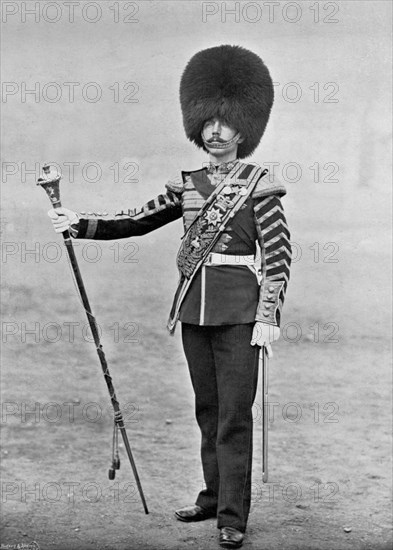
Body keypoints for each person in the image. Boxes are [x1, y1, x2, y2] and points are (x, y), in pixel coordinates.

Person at [48, 45, 292, 549]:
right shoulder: (187, 186)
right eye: (209, 122)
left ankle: (232, 515)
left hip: (242, 313)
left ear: (244, 130)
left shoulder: (259, 187)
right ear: (197, 125)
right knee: (207, 409)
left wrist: (268, 313)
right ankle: (211, 497)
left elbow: (280, 255)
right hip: (195, 308)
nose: (216, 132)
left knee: (233, 417)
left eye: (226, 123)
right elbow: (136, 222)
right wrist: (79, 223)